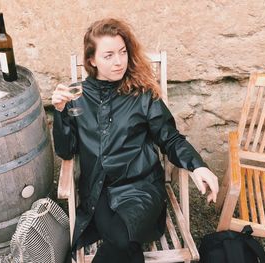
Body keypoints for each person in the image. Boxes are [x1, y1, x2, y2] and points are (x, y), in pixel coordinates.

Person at [52, 18, 219, 263]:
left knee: (119, 239)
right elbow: (67, 152)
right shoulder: (76, 96)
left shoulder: (142, 94)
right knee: (123, 245)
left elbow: (170, 138)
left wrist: (197, 165)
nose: (119, 61)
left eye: (122, 52)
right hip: (100, 191)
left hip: (141, 188)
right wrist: (60, 112)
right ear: (92, 60)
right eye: (108, 55)